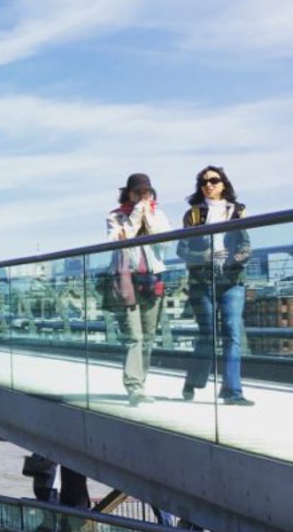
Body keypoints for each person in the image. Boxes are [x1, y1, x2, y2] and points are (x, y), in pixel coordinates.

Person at [177, 166, 254, 406]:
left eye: (213, 180)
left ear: (223, 184)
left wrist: (235, 259)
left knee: (232, 333)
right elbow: (182, 250)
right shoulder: (193, 215)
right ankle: (194, 380)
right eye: (203, 181)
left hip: (232, 280)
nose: (208, 184)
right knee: (208, 333)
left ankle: (232, 392)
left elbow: (246, 246)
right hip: (201, 282)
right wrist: (206, 255)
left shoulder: (238, 211)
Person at [105, 173, 172, 406]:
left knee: (149, 336)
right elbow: (117, 242)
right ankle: (133, 386)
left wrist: (150, 219)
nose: (143, 196)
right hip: (126, 279)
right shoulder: (116, 217)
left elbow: (164, 244)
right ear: (129, 193)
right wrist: (135, 217)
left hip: (153, 278)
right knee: (134, 336)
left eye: (147, 192)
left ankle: (141, 384)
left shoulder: (159, 215)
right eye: (138, 192)